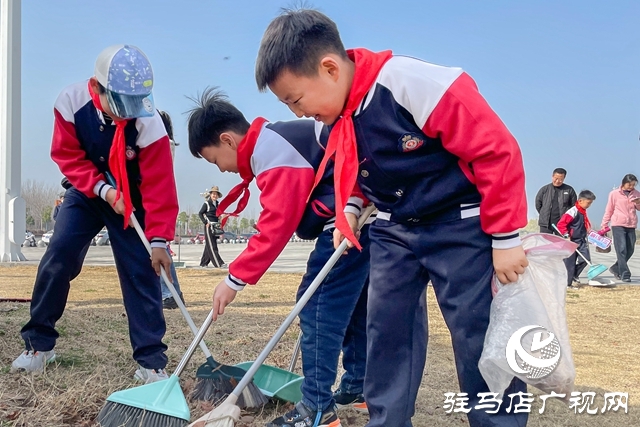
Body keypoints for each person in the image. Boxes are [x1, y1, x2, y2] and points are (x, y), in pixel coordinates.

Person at [255, 9, 530, 427]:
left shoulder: (412, 83)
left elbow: (497, 150)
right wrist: (351, 208)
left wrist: (506, 238)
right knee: (387, 335)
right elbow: (355, 168)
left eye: (296, 100)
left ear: (329, 68)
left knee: (478, 336)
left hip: (460, 224)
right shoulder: (338, 117)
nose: (298, 112)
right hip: (393, 228)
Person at [187, 88, 372, 427]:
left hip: (349, 219)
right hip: (364, 214)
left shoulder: (272, 149)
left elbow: (276, 225)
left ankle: (317, 408)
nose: (223, 170)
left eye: (215, 160)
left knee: (317, 304)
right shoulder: (276, 139)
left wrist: (234, 280)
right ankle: (359, 386)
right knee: (353, 305)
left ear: (228, 141)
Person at [11, 45, 178, 384]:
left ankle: (151, 362)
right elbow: (68, 155)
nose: (126, 114)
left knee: (140, 272)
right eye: (120, 104)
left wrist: (159, 240)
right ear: (97, 86)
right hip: (87, 191)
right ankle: (39, 344)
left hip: (132, 201)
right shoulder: (71, 103)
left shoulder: (150, 122)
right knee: (59, 256)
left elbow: (160, 186)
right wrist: (104, 190)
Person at [156, 109, 185, 309]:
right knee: (157, 249)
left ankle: (170, 293)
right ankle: (169, 293)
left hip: (158, 200)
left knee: (159, 249)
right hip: (160, 197)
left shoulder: (163, 143)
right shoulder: (167, 143)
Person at [601, 174, 640, 282]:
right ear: (623, 183)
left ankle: (615, 268)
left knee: (630, 250)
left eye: (633, 185)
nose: (631, 187)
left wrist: (638, 203)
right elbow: (609, 209)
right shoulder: (614, 194)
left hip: (631, 225)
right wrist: (604, 224)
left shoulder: (636, 194)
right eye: (629, 184)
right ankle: (625, 273)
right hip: (618, 224)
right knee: (621, 249)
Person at [556, 190, 596, 288]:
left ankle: (574, 275)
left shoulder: (583, 212)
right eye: (588, 203)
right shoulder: (572, 211)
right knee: (570, 263)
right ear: (581, 201)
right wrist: (566, 235)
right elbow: (561, 224)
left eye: (590, 203)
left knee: (586, 259)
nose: (589, 205)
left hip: (581, 241)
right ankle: (567, 284)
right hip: (571, 241)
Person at [535, 168, 577, 234]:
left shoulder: (569, 190)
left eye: (560, 179)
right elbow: (538, 204)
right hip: (546, 224)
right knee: (546, 243)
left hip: (562, 224)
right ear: (552, 176)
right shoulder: (544, 189)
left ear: (564, 178)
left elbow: (574, 207)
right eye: (556, 178)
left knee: (561, 243)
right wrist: (544, 214)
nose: (557, 181)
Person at [198, 186, 226, 268]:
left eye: (216, 194)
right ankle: (219, 263)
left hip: (216, 226)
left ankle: (203, 263)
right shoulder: (206, 203)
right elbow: (200, 213)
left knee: (209, 245)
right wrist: (205, 222)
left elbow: (218, 214)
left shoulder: (217, 204)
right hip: (209, 226)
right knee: (212, 245)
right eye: (213, 194)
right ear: (210, 194)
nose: (215, 196)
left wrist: (221, 218)